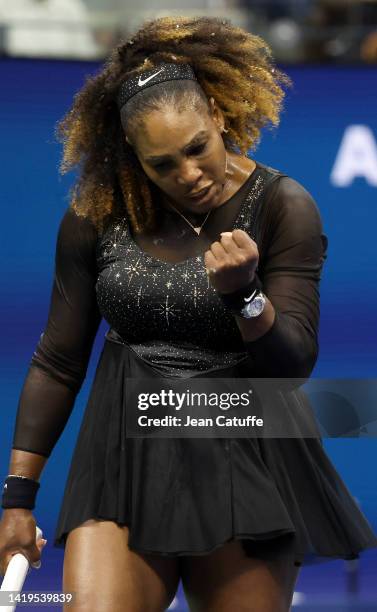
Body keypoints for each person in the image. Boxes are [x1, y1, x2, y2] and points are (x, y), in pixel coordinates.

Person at [0, 15, 376, 612]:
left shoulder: (284, 206)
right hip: (121, 454)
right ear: (134, 156)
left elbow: (293, 363)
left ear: (219, 119)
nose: (190, 175)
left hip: (244, 447)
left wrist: (244, 297)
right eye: (163, 164)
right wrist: (18, 500)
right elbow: (58, 360)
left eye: (197, 148)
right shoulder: (94, 216)